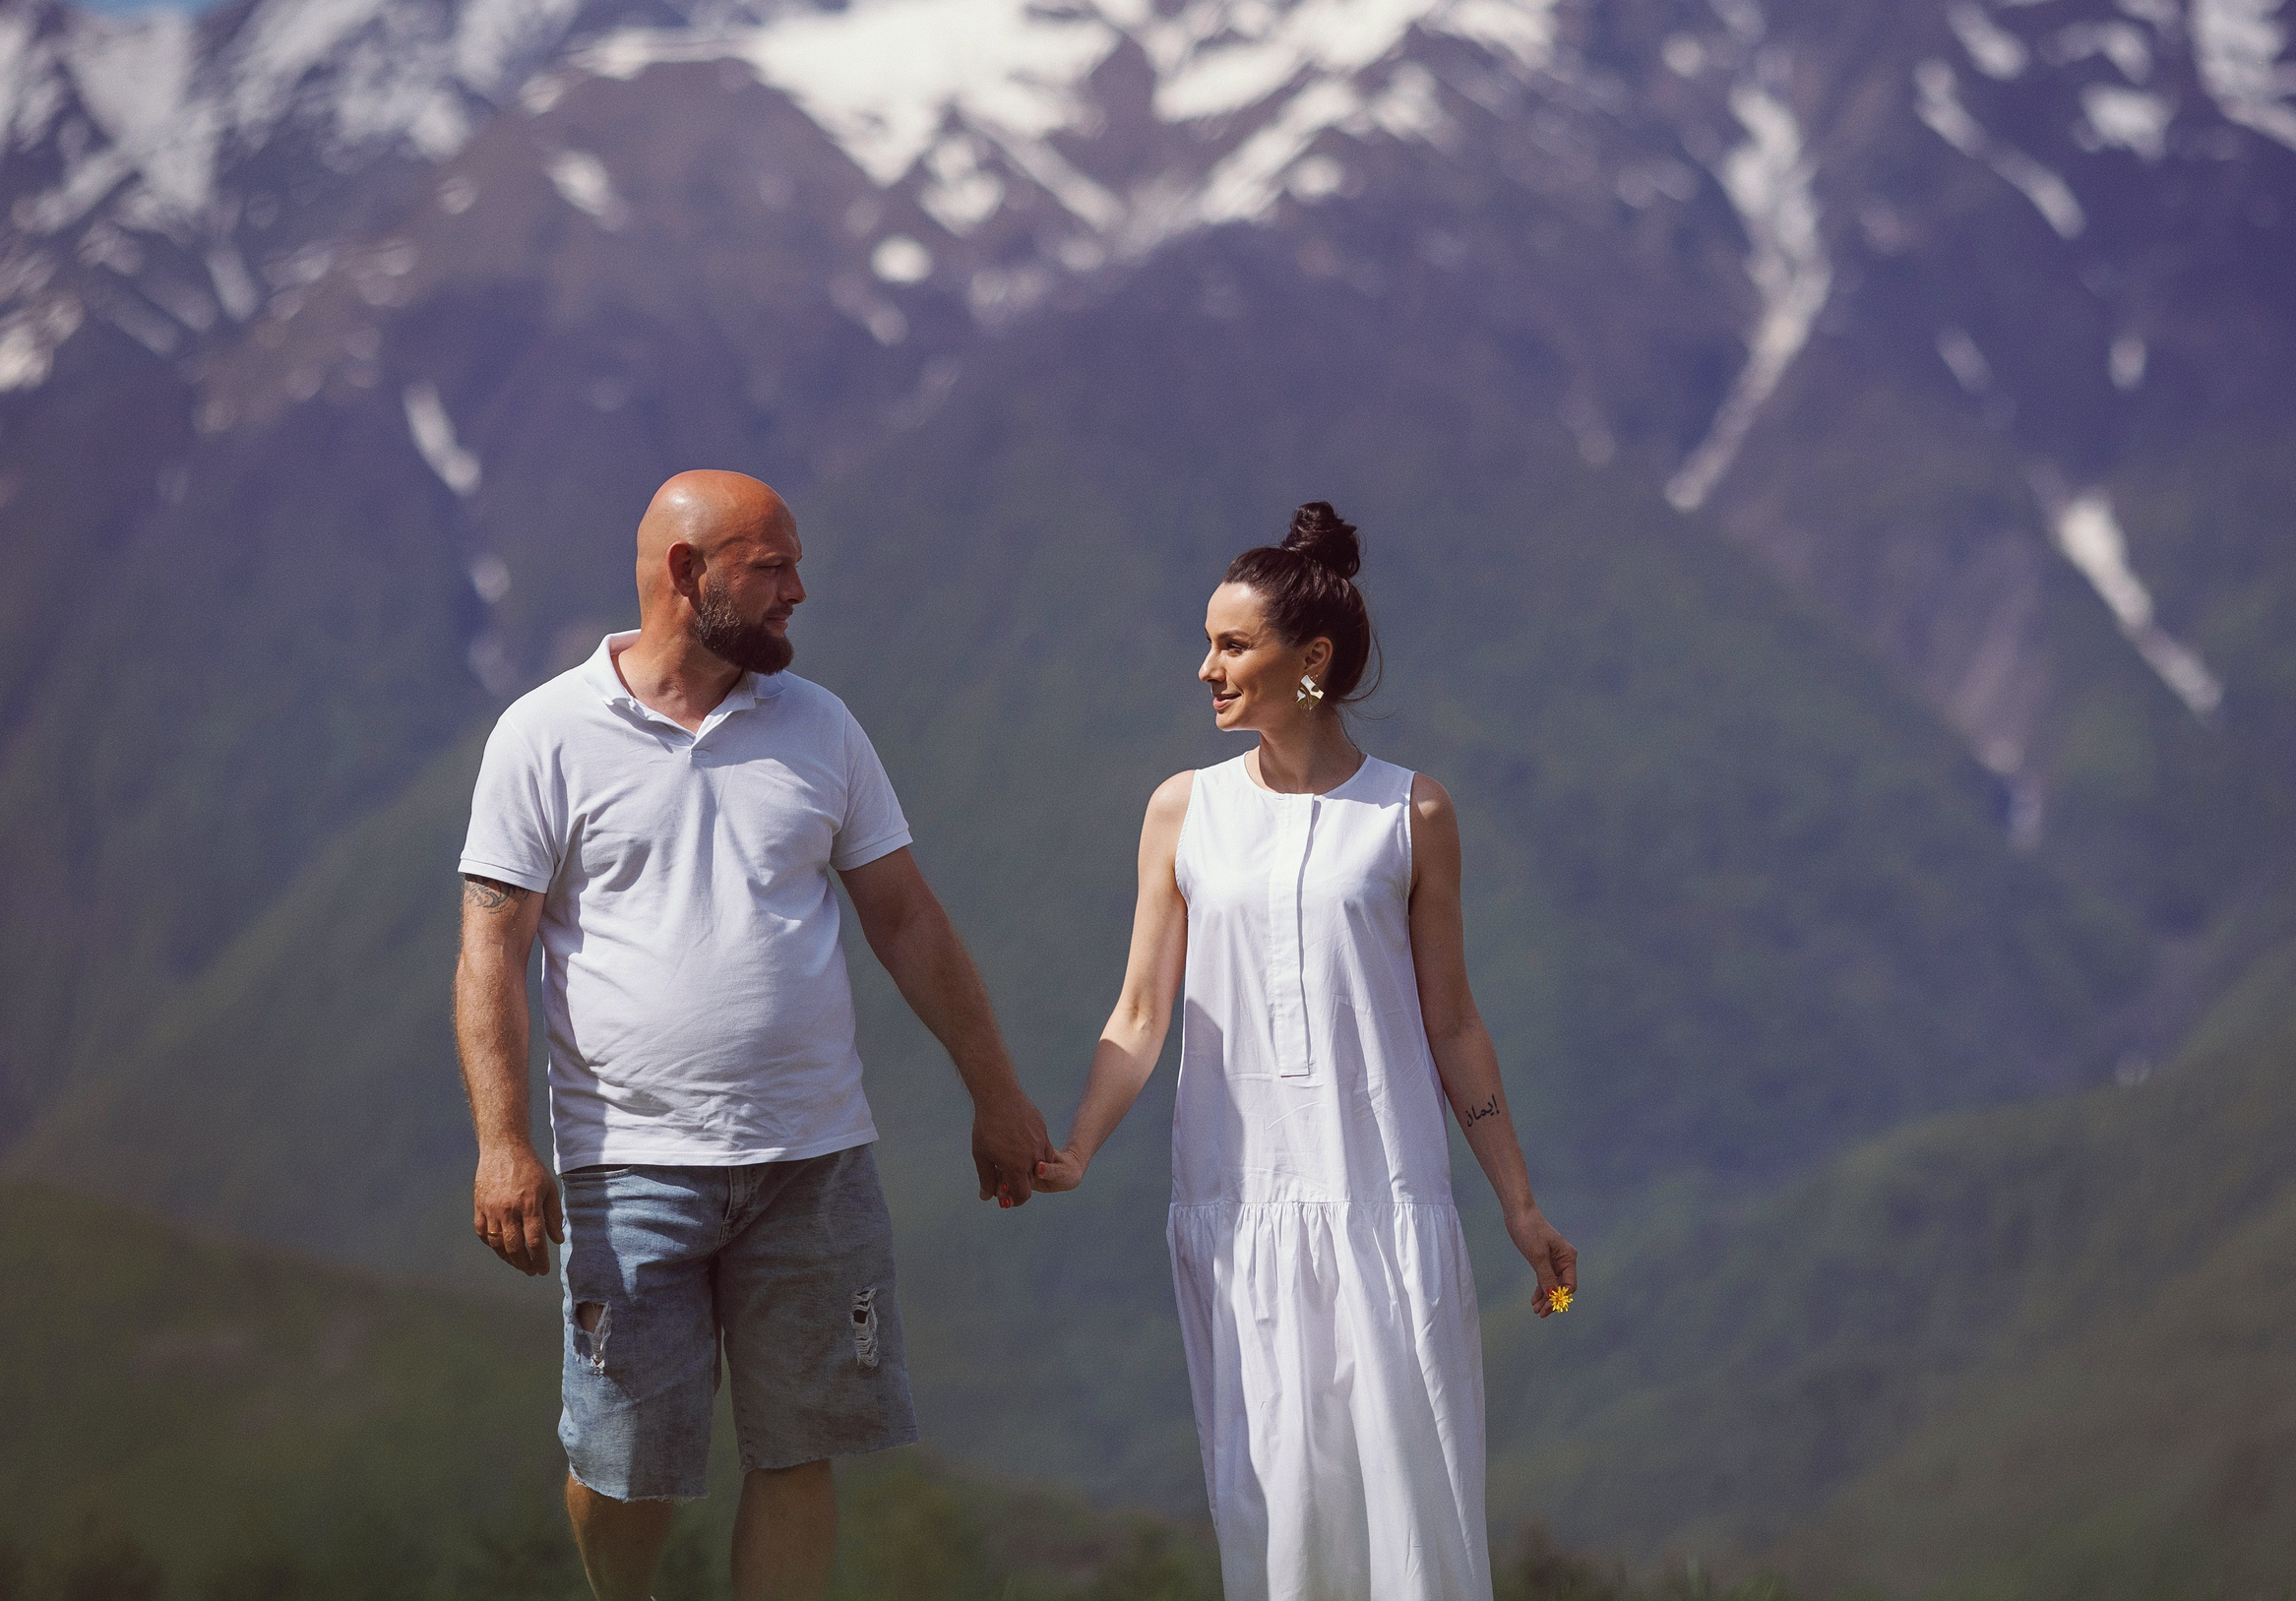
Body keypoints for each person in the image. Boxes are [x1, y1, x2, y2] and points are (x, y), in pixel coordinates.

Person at [452, 469, 1053, 1601]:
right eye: (771, 567)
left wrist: (998, 1094)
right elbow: (492, 950)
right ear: (689, 573)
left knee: (799, 1449)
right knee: (625, 1464)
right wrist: (501, 1142)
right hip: (628, 1164)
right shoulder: (545, 734)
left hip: (814, 1159)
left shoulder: (820, 725)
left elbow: (906, 917)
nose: (799, 591)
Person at [1032, 501, 1578, 1600]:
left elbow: (1453, 1021)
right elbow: (1140, 1010)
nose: (1204, 668)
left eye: (1231, 644)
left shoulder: (1410, 813)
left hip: (1383, 1205)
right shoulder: (1183, 810)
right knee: (1274, 1522)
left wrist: (1518, 1203)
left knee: (1409, 1516)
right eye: (1208, 641)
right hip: (1242, 1217)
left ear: (1310, 659)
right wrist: (1078, 1149)